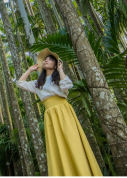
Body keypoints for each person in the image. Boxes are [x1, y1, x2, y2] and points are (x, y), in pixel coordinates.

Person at [16, 48, 103, 176]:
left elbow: (67, 86)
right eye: (45, 59)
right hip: (50, 115)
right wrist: (30, 70)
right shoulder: (38, 83)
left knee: (73, 143)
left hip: (63, 112)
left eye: (50, 59)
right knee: (56, 148)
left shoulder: (59, 79)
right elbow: (20, 83)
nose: (46, 61)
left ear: (55, 64)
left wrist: (61, 69)